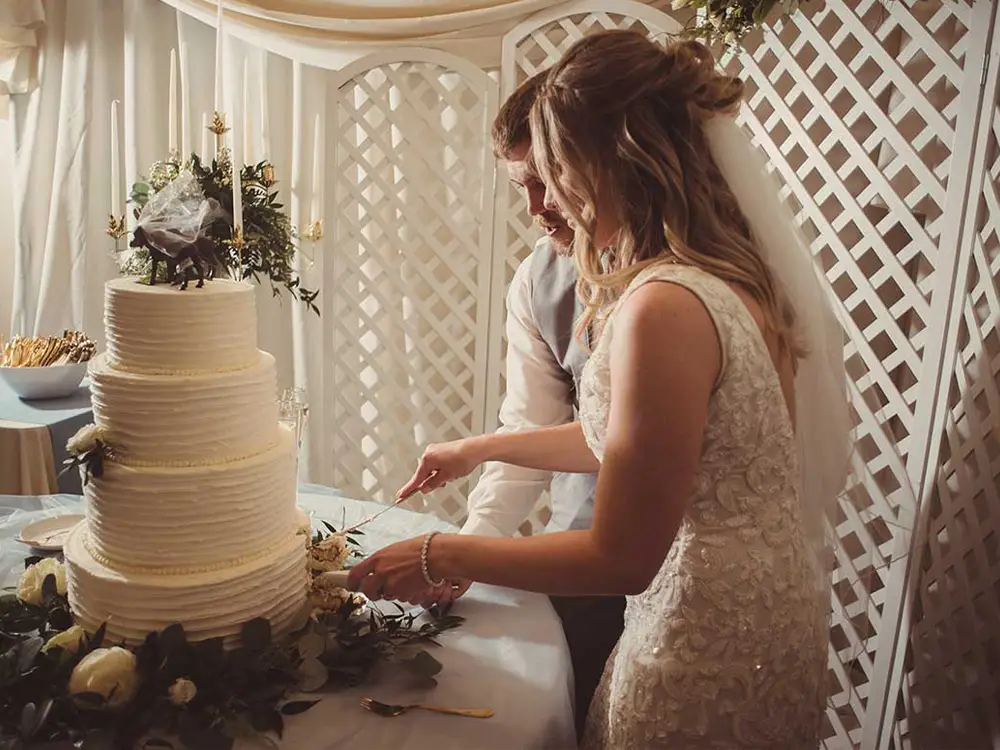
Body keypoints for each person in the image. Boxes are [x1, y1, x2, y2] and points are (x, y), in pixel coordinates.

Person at [349, 29, 850, 748]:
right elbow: (640, 443)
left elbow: (622, 558)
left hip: (701, 631)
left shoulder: (661, 306)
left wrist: (438, 551)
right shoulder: (733, 276)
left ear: (616, 158)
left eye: (555, 167)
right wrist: (479, 448)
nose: (544, 199)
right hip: (766, 611)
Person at [419, 71, 626, 738]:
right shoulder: (538, 281)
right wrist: (473, 543)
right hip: (580, 553)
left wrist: (456, 552)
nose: (537, 208)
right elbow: (530, 428)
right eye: (521, 188)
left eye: (548, 180)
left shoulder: (680, 285)